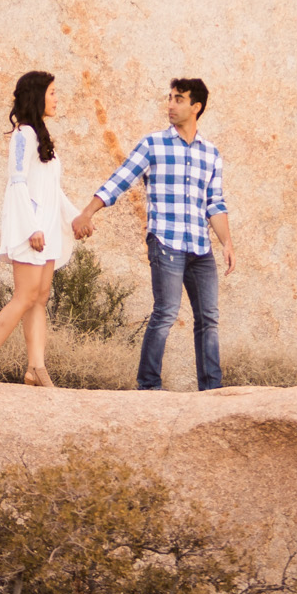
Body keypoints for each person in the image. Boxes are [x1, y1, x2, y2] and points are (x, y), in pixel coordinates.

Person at [72, 78, 232, 391]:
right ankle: (148, 385)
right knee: (166, 314)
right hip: (166, 243)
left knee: (209, 318)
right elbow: (120, 180)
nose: (171, 105)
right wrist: (87, 212)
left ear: (196, 107)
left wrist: (227, 243)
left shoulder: (211, 154)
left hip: (200, 248)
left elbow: (215, 203)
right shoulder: (153, 145)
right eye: (170, 98)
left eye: (179, 99)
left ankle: (212, 389)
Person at [0, 70, 79, 388]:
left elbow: (54, 190)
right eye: (52, 92)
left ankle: (36, 368)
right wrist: (31, 228)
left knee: (40, 298)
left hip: (49, 231)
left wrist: (76, 218)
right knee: (24, 296)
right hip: (34, 231)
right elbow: (17, 183)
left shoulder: (42, 137)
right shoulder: (23, 135)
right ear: (37, 95)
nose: (56, 98)